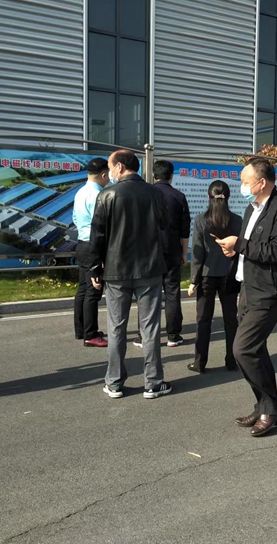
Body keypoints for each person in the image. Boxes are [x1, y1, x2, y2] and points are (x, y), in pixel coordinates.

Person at [215, 158, 277, 437]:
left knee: (243, 349)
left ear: (261, 182)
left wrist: (239, 244)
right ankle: (265, 405)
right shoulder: (253, 208)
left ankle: (271, 408)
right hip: (247, 287)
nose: (241, 185)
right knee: (255, 350)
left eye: (245, 181)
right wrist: (234, 250)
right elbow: (250, 247)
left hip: (268, 290)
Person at [89, 150, 172, 399]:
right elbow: (164, 224)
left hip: (116, 270)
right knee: (150, 328)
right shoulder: (155, 193)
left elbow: (98, 236)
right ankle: (153, 382)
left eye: (111, 167)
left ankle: (114, 383)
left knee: (116, 328)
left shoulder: (107, 194)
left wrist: (95, 268)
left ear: (120, 167)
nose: (109, 171)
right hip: (149, 269)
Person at [187, 180, 242, 373]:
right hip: (230, 274)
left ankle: (200, 362)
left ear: (208, 196)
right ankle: (232, 361)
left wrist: (193, 280)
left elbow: (198, 253)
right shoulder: (237, 220)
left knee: (203, 320)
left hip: (207, 275)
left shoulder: (201, 220)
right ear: (228, 197)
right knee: (231, 320)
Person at [152, 160, 191, 347]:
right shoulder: (179, 196)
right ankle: (173, 335)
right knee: (172, 293)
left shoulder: (146, 194)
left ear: (154, 175)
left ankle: (145, 336)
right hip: (172, 251)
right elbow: (185, 230)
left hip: (148, 253)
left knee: (148, 294)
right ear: (171, 176)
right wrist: (184, 253)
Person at [72, 157, 110, 347]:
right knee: (93, 291)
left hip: (82, 242)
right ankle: (91, 334)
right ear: (103, 175)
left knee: (83, 289)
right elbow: (101, 226)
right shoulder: (98, 195)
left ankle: (81, 330)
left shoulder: (80, 192)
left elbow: (75, 218)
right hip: (93, 245)